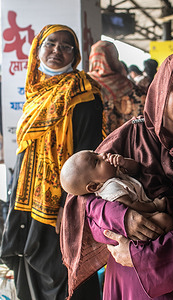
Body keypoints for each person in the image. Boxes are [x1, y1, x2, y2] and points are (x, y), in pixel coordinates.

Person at [60, 51, 173, 299]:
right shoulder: (130, 135)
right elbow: (83, 199)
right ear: (162, 86)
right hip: (129, 276)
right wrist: (123, 218)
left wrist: (147, 256)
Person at [0, 24, 103, 300]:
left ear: (75, 54)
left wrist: (67, 204)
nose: (57, 50)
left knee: (62, 272)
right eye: (50, 44)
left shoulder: (83, 92)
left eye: (66, 46)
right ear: (37, 50)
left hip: (59, 202)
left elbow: (87, 154)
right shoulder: (35, 93)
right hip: (26, 198)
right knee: (29, 268)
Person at [60, 150, 170, 216]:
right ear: (94, 186)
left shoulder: (111, 173)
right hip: (145, 214)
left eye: (96, 153)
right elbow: (132, 205)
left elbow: (136, 169)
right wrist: (155, 206)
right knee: (164, 220)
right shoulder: (110, 189)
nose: (102, 155)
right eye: (96, 161)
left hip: (147, 200)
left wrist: (124, 162)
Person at [88, 41, 146, 136]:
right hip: (123, 141)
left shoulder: (85, 84)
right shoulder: (128, 85)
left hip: (94, 142)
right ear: (113, 58)